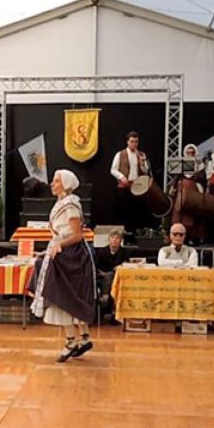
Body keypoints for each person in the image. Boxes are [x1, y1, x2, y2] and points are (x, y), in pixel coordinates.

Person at [30, 169, 97, 363]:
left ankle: (73, 341)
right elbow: (59, 235)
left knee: (64, 295)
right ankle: (80, 338)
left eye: (56, 181)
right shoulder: (62, 203)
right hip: (64, 252)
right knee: (63, 294)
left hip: (73, 255)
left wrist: (59, 245)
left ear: (65, 184)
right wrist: (49, 250)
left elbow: (77, 235)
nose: (52, 184)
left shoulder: (71, 204)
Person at [110, 131, 151, 230]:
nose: (134, 144)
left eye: (136, 142)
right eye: (132, 141)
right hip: (124, 187)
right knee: (124, 211)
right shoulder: (120, 154)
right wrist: (121, 177)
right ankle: (124, 232)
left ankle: (135, 231)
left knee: (136, 211)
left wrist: (142, 162)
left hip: (137, 187)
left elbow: (146, 171)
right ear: (127, 142)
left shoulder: (141, 154)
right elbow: (113, 170)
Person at [171, 144, 208, 244]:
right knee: (180, 213)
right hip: (182, 190)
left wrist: (194, 176)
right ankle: (181, 236)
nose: (190, 154)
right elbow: (177, 177)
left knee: (193, 213)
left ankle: (195, 237)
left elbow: (203, 178)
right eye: (188, 153)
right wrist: (173, 187)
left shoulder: (199, 164)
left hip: (194, 191)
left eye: (192, 153)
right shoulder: (182, 163)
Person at [95, 229, 129, 323]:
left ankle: (107, 300)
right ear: (109, 239)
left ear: (120, 241)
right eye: (112, 237)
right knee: (109, 277)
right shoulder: (101, 252)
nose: (114, 240)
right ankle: (107, 302)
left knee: (113, 278)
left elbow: (125, 265)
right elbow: (97, 267)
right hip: (103, 276)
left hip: (118, 278)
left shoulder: (124, 252)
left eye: (117, 238)